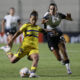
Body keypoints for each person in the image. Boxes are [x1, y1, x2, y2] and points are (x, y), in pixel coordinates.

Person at [2, 10, 46, 78]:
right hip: (24, 47)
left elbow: (44, 31)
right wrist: (12, 40)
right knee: (12, 61)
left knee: (36, 58)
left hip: (33, 48)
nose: (34, 21)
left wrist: (51, 30)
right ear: (30, 18)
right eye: (32, 19)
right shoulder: (26, 25)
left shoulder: (37, 27)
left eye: (35, 20)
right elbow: (18, 33)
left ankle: (32, 73)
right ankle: (7, 50)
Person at [41, 3, 73, 74]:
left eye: (53, 9)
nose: (52, 10)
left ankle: (68, 69)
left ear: (56, 9)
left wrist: (69, 17)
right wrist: (44, 21)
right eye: (51, 9)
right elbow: (42, 21)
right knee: (58, 57)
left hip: (58, 34)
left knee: (63, 51)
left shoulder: (59, 15)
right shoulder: (47, 15)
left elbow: (70, 19)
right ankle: (62, 60)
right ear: (49, 10)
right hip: (50, 37)